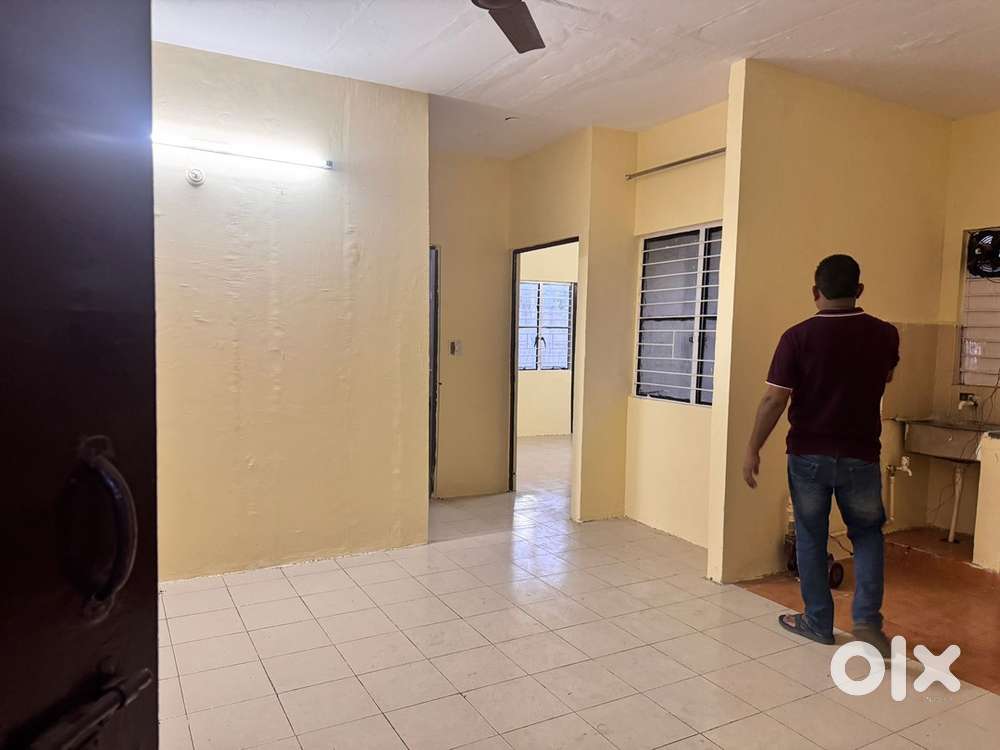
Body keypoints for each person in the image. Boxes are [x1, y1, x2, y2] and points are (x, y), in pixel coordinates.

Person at [743, 254, 898, 656]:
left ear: (815, 292)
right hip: (862, 454)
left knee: (811, 535)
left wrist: (753, 446)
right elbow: (884, 378)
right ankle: (867, 621)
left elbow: (774, 399)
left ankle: (817, 620)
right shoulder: (885, 334)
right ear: (859, 290)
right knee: (867, 536)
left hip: (808, 454)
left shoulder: (796, 337)